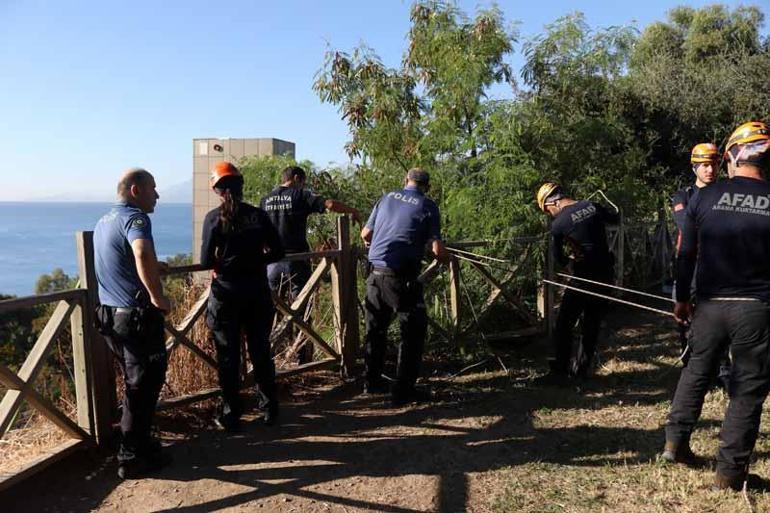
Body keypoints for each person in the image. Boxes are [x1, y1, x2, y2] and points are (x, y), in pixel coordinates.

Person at [663, 121, 770, 490]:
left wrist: (680, 298)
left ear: (730, 156)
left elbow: (686, 253)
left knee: (696, 371)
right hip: (756, 308)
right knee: (747, 389)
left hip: (708, 305)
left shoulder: (705, 198)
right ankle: (729, 474)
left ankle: (674, 443)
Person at [93, 168, 171, 479]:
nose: (158, 194)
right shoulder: (136, 218)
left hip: (110, 316)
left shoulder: (103, 221)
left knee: (135, 382)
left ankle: (139, 444)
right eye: (153, 188)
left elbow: (122, 258)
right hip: (135, 317)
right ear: (136, 190)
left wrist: (156, 265)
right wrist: (158, 297)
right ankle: (131, 455)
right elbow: (140, 251)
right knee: (145, 384)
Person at [201, 162, 285, 431]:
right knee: (261, 351)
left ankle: (230, 413)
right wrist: (257, 261)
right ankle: (269, 408)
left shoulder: (214, 219)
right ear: (241, 186)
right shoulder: (258, 216)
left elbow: (204, 261)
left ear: (216, 190)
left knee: (228, 355)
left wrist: (223, 264)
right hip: (257, 292)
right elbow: (278, 251)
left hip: (226, 294)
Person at [361, 168, 449, 406]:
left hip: (374, 275)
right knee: (413, 332)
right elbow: (437, 250)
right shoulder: (428, 206)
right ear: (427, 186)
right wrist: (446, 258)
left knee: (375, 331)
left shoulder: (386, 197)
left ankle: (372, 383)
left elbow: (365, 233)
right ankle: (403, 391)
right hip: (401, 279)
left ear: (405, 181)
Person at [261, 165, 360, 362]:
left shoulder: (265, 200)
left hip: (271, 264)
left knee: (271, 311)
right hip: (296, 261)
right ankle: (303, 359)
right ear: (297, 178)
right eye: (303, 181)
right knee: (302, 311)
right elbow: (330, 204)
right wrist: (352, 211)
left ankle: (269, 359)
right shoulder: (300, 194)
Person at [536, 182, 619, 381]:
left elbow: (559, 258)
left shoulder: (559, 224)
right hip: (606, 272)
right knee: (591, 324)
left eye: (547, 211)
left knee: (565, 322)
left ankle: (559, 372)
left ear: (551, 204)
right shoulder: (592, 205)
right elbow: (615, 218)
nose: (550, 215)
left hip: (583, 276)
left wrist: (571, 264)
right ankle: (581, 371)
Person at [671, 143, 725, 375]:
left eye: (713, 165)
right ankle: (691, 365)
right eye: (704, 165)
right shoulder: (684, 195)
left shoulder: (726, 192)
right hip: (691, 264)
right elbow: (685, 223)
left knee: (721, 318)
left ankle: (722, 370)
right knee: (686, 318)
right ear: (695, 168)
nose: (710, 170)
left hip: (719, 264)